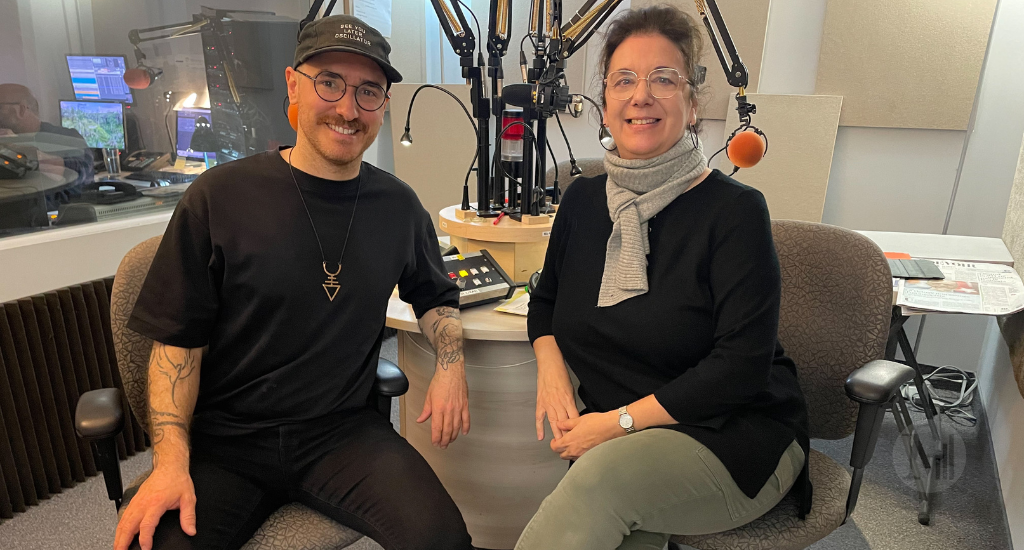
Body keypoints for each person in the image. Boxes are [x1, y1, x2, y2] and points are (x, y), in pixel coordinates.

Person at [115, 15, 474, 550]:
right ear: (293, 85)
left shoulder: (399, 207)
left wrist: (451, 365)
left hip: (343, 434)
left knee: (441, 539)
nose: (348, 109)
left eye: (368, 91)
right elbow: (176, 349)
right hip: (227, 442)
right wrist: (169, 461)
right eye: (329, 82)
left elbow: (435, 300)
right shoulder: (219, 198)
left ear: (383, 105)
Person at [516, 6, 811, 549]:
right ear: (604, 104)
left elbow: (740, 370)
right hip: (634, 437)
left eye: (663, 80)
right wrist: (551, 369)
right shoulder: (583, 198)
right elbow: (546, 300)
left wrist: (614, 425)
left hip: (735, 433)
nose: (640, 95)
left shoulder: (735, 212)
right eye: (623, 80)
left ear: (693, 102)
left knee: (600, 484)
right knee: (620, 525)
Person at [0, 83, 94, 210]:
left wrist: (16, 147)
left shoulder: (64, 139)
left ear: (21, 109)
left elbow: (81, 174)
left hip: (55, 221)